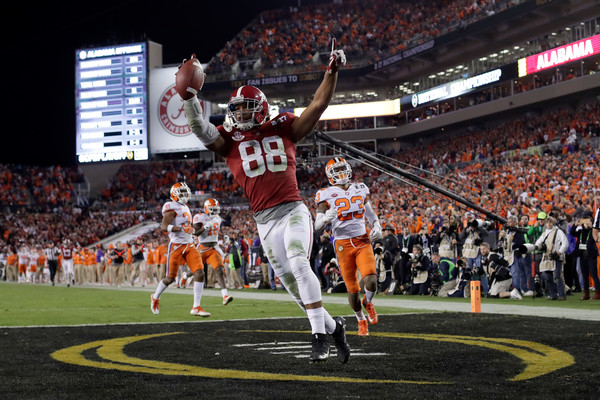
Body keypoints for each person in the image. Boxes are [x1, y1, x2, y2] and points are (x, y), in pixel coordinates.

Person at [181, 39, 350, 363]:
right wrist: (189, 97)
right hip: (264, 222)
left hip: (292, 210)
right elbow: (200, 129)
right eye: (236, 108)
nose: (239, 112)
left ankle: (318, 337)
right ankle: (334, 327)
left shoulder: (283, 126)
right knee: (295, 289)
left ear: (259, 107)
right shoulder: (229, 140)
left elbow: (317, 106)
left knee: (300, 262)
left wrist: (331, 71)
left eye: (245, 106)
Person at [314, 157, 382, 336]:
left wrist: (377, 226)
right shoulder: (325, 194)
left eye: (343, 169)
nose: (341, 173)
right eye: (336, 171)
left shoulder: (359, 188)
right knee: (352, 289)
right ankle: (360, 319)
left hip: (362, 240)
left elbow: (371, 214)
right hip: (343, 244)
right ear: (330, 175)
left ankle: (368, 303)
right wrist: (325, 218)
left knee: (372, 281)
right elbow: (317, 226)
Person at [150, 182, 210, 317]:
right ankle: (155, 297)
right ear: (174, 194)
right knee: (170, 279)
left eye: (186, 192)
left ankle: (196, 307)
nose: (185, 195)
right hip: (176, 246)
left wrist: (198, 227)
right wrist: (182, 229)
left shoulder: (185, 207)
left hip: (189, 245)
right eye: (182, 192)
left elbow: (188, 227)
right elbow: (164, 227)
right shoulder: (170, 207)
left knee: (200, 272)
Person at [193, 198, 233, 305]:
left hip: (213, 248)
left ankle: (225, 295)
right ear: (206, 208)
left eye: (216, 209)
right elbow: (195, 234)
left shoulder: (217, 218)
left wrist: (223, 236)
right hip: (202, 248)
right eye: (212, 209)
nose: (214, 212)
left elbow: (214, 232)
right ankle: (184, 276)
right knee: (196, 271)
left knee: (219, 270)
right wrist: (205, 227)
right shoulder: (199, 217)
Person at [535, 216, 569, 300]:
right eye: (547, 223)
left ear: (553, 223)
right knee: (546, 275)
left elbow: (565, 243)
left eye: (550, 222)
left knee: (557, 275)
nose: (548, 224)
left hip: (556, 256)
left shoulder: (558, 231)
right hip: (547, 256)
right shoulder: (544, 234)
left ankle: (562, 295)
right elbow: (538, 243)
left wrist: (559, 252)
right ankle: (553, 294)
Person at [570, 213, 600, 300]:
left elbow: (596, 234)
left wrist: (592, 226)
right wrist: (575, 224)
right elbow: (572, 233)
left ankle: (598, 293)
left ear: (592, 222)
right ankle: (586, 294)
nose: (587, 223)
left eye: (589, 221)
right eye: (585, 221)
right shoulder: (581, 231)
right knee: (584, 275)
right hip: (582, 256)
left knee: (594, 275)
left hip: (591, 256)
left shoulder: (593, 232)